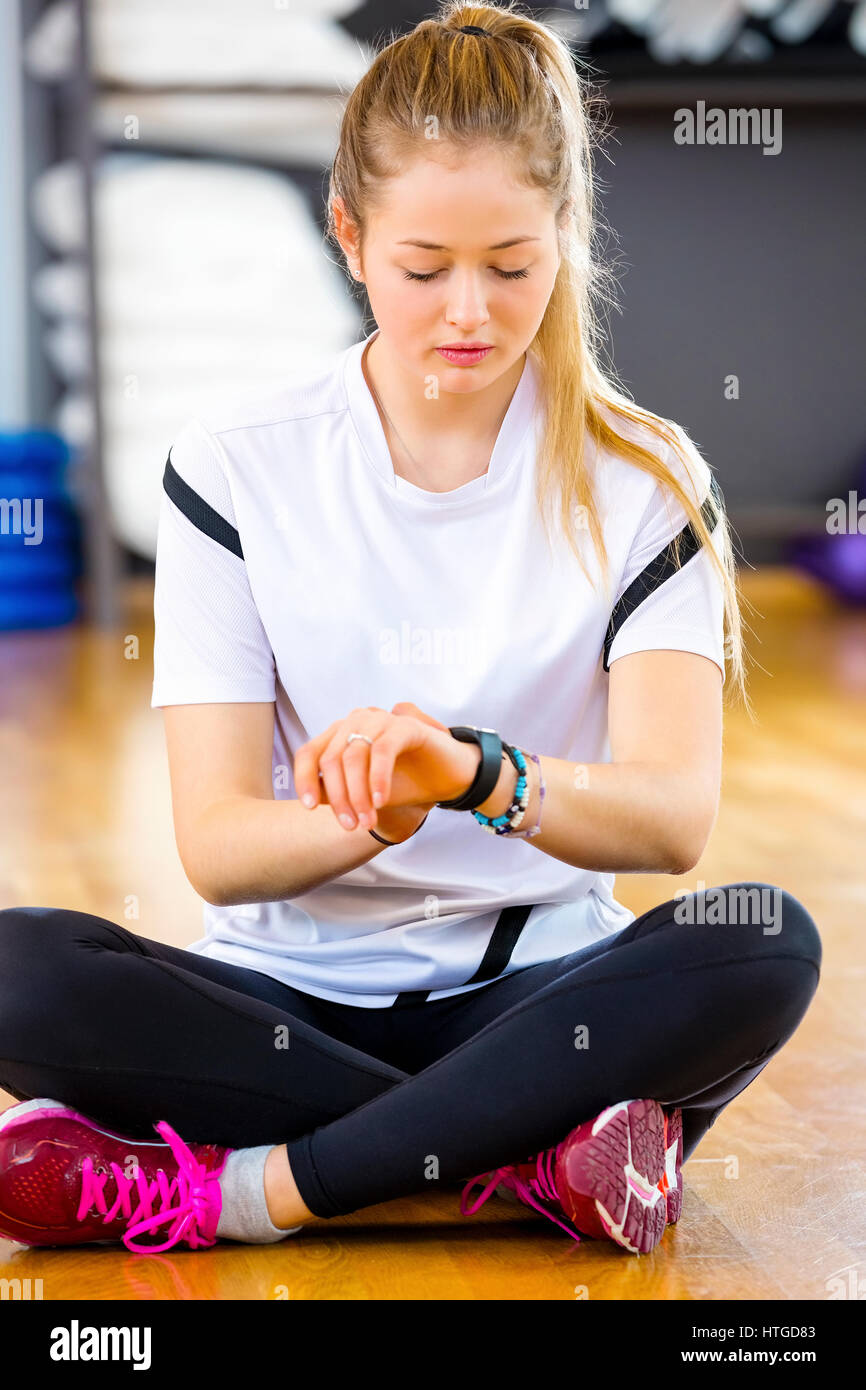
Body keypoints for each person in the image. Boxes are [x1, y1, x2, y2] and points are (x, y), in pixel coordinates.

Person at [0, 3, 820, 1259]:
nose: (468, 314)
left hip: (538, 1000)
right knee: (23, 971)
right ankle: (536, 1158)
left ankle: (238, 1192)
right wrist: (366, 815)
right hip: (282, 1003)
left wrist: (472, 774)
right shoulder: (231, 467)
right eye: (422, 267)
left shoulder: (647, 475)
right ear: (350, 235)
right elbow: (219, 849)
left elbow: (669, 820)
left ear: (563, 236)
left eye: (511, 264)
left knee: (761, 940)